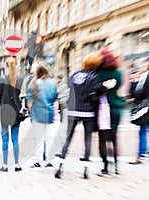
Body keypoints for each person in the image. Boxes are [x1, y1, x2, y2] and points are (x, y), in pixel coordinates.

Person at [54, 51, 116, 179]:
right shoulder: (93, 77)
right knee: (87, 139)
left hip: (73, 110)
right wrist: (105, 87)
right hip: (87, 112)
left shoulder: (74, 75)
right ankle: (85, 170)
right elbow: (93, 95)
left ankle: (60, 167)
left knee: (68, 139)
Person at [96, 47, 125, 175]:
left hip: (102, 109)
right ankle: (116, 166)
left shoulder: (97, 74)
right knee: (114, 138)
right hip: (115, 109)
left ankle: (105, 167)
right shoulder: (118, 73)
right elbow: (120, 85)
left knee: (102, 138)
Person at [0, 56, 24, 172]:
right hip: (16, 112)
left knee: (5, 140)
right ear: (16, 65)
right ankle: (17, 165)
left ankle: (5, 165)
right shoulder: (19, 79)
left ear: (6, 66)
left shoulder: (1, 79)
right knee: (15, 139)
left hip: (5, 112)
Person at [26, 65, 58, 168]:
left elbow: (30, 101)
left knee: (39, 138)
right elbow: (55, 100)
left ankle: (39, 161)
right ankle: (48, 160)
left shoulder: (34, 84)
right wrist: (55, 113)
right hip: (49, 114)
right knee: (49, 138)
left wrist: (31, 112)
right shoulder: (52, 83)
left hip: (37, 114)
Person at [128, 58, 149, 164]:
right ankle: (143, 153)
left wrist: (135, 83)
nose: (142, 66)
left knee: (142, 131)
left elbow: (138, 93)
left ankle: (141, 154)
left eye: (144, 64)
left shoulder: (145, 75)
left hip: (146, 108)